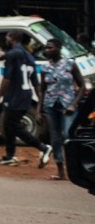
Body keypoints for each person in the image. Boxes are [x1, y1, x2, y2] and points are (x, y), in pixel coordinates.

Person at [0, 30, 52, 167]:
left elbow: (7, 79)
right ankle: (9, 155)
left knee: (13, 126)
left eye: (7, 37)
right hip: (25, 95)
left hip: (14, 96)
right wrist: (39, 102)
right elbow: (35, 83)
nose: (6, 39)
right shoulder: (29, 56)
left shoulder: (12, 55)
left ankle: (43, 148)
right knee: (8, 126)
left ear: (11, 38)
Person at [38, 38, 83, 180]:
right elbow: (42, 90)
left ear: (59, 48)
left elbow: (82, 86)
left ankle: (77, 169)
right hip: (50, 106)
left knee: (67, 135)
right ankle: (60, 170)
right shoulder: (45, 68)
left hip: (67, 105)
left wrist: (73, 104)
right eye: (46, 48)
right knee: (55, 137)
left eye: (50, 47)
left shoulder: (70, 64)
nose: (47, 50)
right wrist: (39, 110)